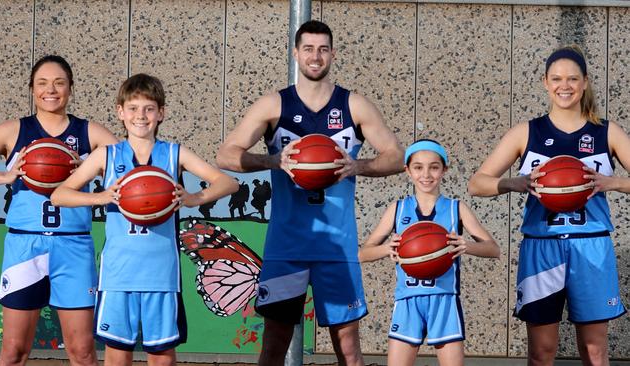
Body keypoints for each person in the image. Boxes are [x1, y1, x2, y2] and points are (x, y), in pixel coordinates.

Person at [216, 20, 403, 366]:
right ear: (296, 53)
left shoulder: (353, 105)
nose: (315, 57)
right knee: (274, 344)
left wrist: (356, 166)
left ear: (332, 54)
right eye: (308, 49)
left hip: (336, 245)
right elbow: (226, 153)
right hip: (287, 245)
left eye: (322, 49)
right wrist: (274, 160)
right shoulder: (275, 105)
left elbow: (396, 156)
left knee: (348, 348)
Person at [51, 73, 237, 366]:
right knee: (117, 356)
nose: (141, 116)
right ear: (120, 112)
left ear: (161, 113)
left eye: (149, 108)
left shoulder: (174, 154)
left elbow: (227, 182)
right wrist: (99, 197)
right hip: (117, 275)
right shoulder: (106, 156)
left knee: (162, 358)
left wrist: (193, 199)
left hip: (162, 275)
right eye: (134, 108)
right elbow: (60, 195)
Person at [467, 45, 628, 365]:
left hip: (591, 246)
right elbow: (476, 183)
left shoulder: (605, 132)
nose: (564, 86)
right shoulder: (528, 132)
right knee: (542, 353)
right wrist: (516, 182)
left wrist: (612, 183)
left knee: (594, 351)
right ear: (545, 82)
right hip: (542, 248)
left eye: (572, 79)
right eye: (556, 79)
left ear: (585, 82)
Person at [0, 55, 118, 366]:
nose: (50, 90)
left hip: (73, 245)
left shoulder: (89, 132)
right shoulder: (13, 131)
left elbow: (127, 173)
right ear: (31, 89)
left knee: (82, 352)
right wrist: (5, 175)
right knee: (14, 351)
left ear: (70, 88)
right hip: (24, 246)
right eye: (42, 83)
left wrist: (90, 167)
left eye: (59, 82)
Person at [359, 140, 499, 366]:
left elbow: (493, 249)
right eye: (418, 167)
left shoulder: (456, 208)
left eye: (434, 167)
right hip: (407, 300)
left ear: (444, 170)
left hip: (444, 299)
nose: (426, 174)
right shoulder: (397, 209)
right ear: (407, 170)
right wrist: (387, 249)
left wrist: (467, 246)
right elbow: (362, 254)